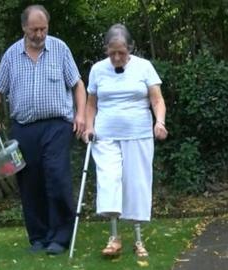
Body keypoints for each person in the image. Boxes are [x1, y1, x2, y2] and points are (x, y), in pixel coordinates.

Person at [0, 4, 86, 255]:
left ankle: (60, 237)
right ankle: (39, 238)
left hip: (57, 126)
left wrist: (81, 114)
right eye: (34, 30)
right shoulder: (11, 55)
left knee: (57, 178)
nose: (40, 34)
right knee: (30, 183)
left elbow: (77, 85)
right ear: (24, 28)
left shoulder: (60, 49)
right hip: (24, 130)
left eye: (43, 29)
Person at [82, 24, 168, 259]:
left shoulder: (144, 67)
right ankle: (114, 238)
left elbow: (157, 100)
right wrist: (88, 127)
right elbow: (91, 104)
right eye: (112, 53)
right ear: (106, 50)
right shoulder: (98, 70)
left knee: (136, 183)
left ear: (130, 48)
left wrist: (159, 122)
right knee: (109, 180)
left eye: (121, 52)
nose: (117, 57)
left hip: (138, 134)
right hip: (106, 134)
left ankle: (139, 240)